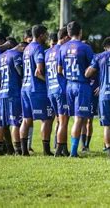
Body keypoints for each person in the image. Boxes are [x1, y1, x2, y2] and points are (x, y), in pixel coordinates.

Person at [58, 21, 94, 157]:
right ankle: (73, 152)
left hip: (69, 85)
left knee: (71, 118)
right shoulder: (85, 48)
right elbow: (93, 67)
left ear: (68, 33)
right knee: (79, 119)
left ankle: (68, 149)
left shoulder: (62, 48)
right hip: (81, 85)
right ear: (81, 32)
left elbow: (59, 70)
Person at [20, 25, 54, 156]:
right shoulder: (38, 48)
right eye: (45, 34)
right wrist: (49, 81)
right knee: (47, 118)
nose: (47, 37)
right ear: (40, 35)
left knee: (26, 119)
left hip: (25, 88)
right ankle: (46, 150)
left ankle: (24, 151)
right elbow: (38, 72)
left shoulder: (27, 48)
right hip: (37, 89)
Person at [0, 39, 25, 155]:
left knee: (1, 122)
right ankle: (18, 150)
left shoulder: (1, 57)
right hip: (13, 93)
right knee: (15, 123)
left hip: (2, 93)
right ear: (20, 47)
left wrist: (2, 82)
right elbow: (21, 72)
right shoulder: (16, 55)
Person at [46, 28, 70, 157]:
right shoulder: (62, 50)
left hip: (51, 89)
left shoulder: (48, 51)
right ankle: (59, 149)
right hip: (61, 89)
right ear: (65, 37)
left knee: (59, 120)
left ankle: (61, 146)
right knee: (64, 120)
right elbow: (62, 70)